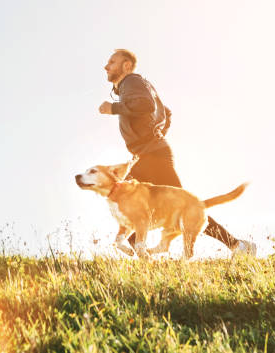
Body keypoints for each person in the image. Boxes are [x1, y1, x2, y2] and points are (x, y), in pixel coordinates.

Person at [98, 49, 256, 257]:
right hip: (148, 153)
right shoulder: (138, 85)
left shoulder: (131, 83)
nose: (106, 66)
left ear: (126, 65)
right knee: (130, 201)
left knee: (180, 206)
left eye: (112, 62)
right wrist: (156, 134)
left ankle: (238, 246)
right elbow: (166, 112)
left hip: (152, 155)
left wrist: (114, 108)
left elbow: (145, 105)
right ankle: (138, 252)